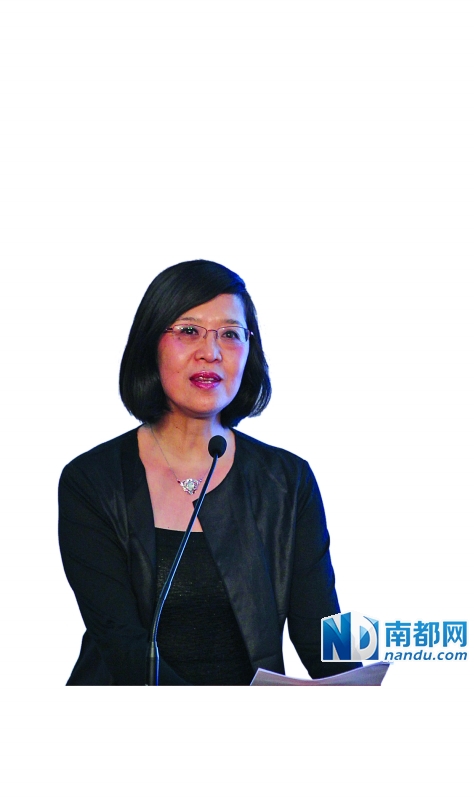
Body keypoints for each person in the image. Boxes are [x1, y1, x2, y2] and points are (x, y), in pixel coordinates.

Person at [59, 259, 356, 685]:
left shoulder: (288, 480)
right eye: (189, 331)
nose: (211, 352)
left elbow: (324, 631)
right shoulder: (92, 480)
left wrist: (363, 681)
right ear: (150, 343)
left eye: (230, 335)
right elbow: (121, 642)